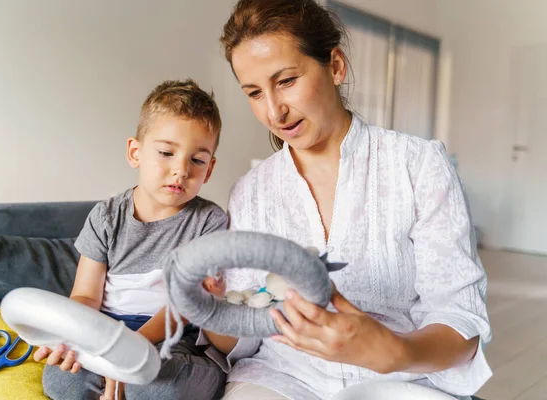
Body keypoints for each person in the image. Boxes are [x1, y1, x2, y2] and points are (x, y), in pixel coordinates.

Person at [199, 1, 492, 399]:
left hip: (401, 378)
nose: (274, 111)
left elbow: (462, 322)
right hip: (282, 378)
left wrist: (396, 351)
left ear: (336, 66)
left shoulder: (419, 165)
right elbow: (247, 337)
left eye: (286, 81)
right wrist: (212, 308)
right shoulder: (251, 192)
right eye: (254, 92)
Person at [34, 79, 228, 400]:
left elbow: (184, 306)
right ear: (135, 153)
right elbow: (85, 296)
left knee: (155, 387)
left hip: (172, 334)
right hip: (107, 330)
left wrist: (127, 355)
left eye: (197, 160)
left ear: (209, 170)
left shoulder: (210, 222)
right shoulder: (107, 216)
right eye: (166, 152)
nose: (180, 170)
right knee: (61, 381)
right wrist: (75, 335)